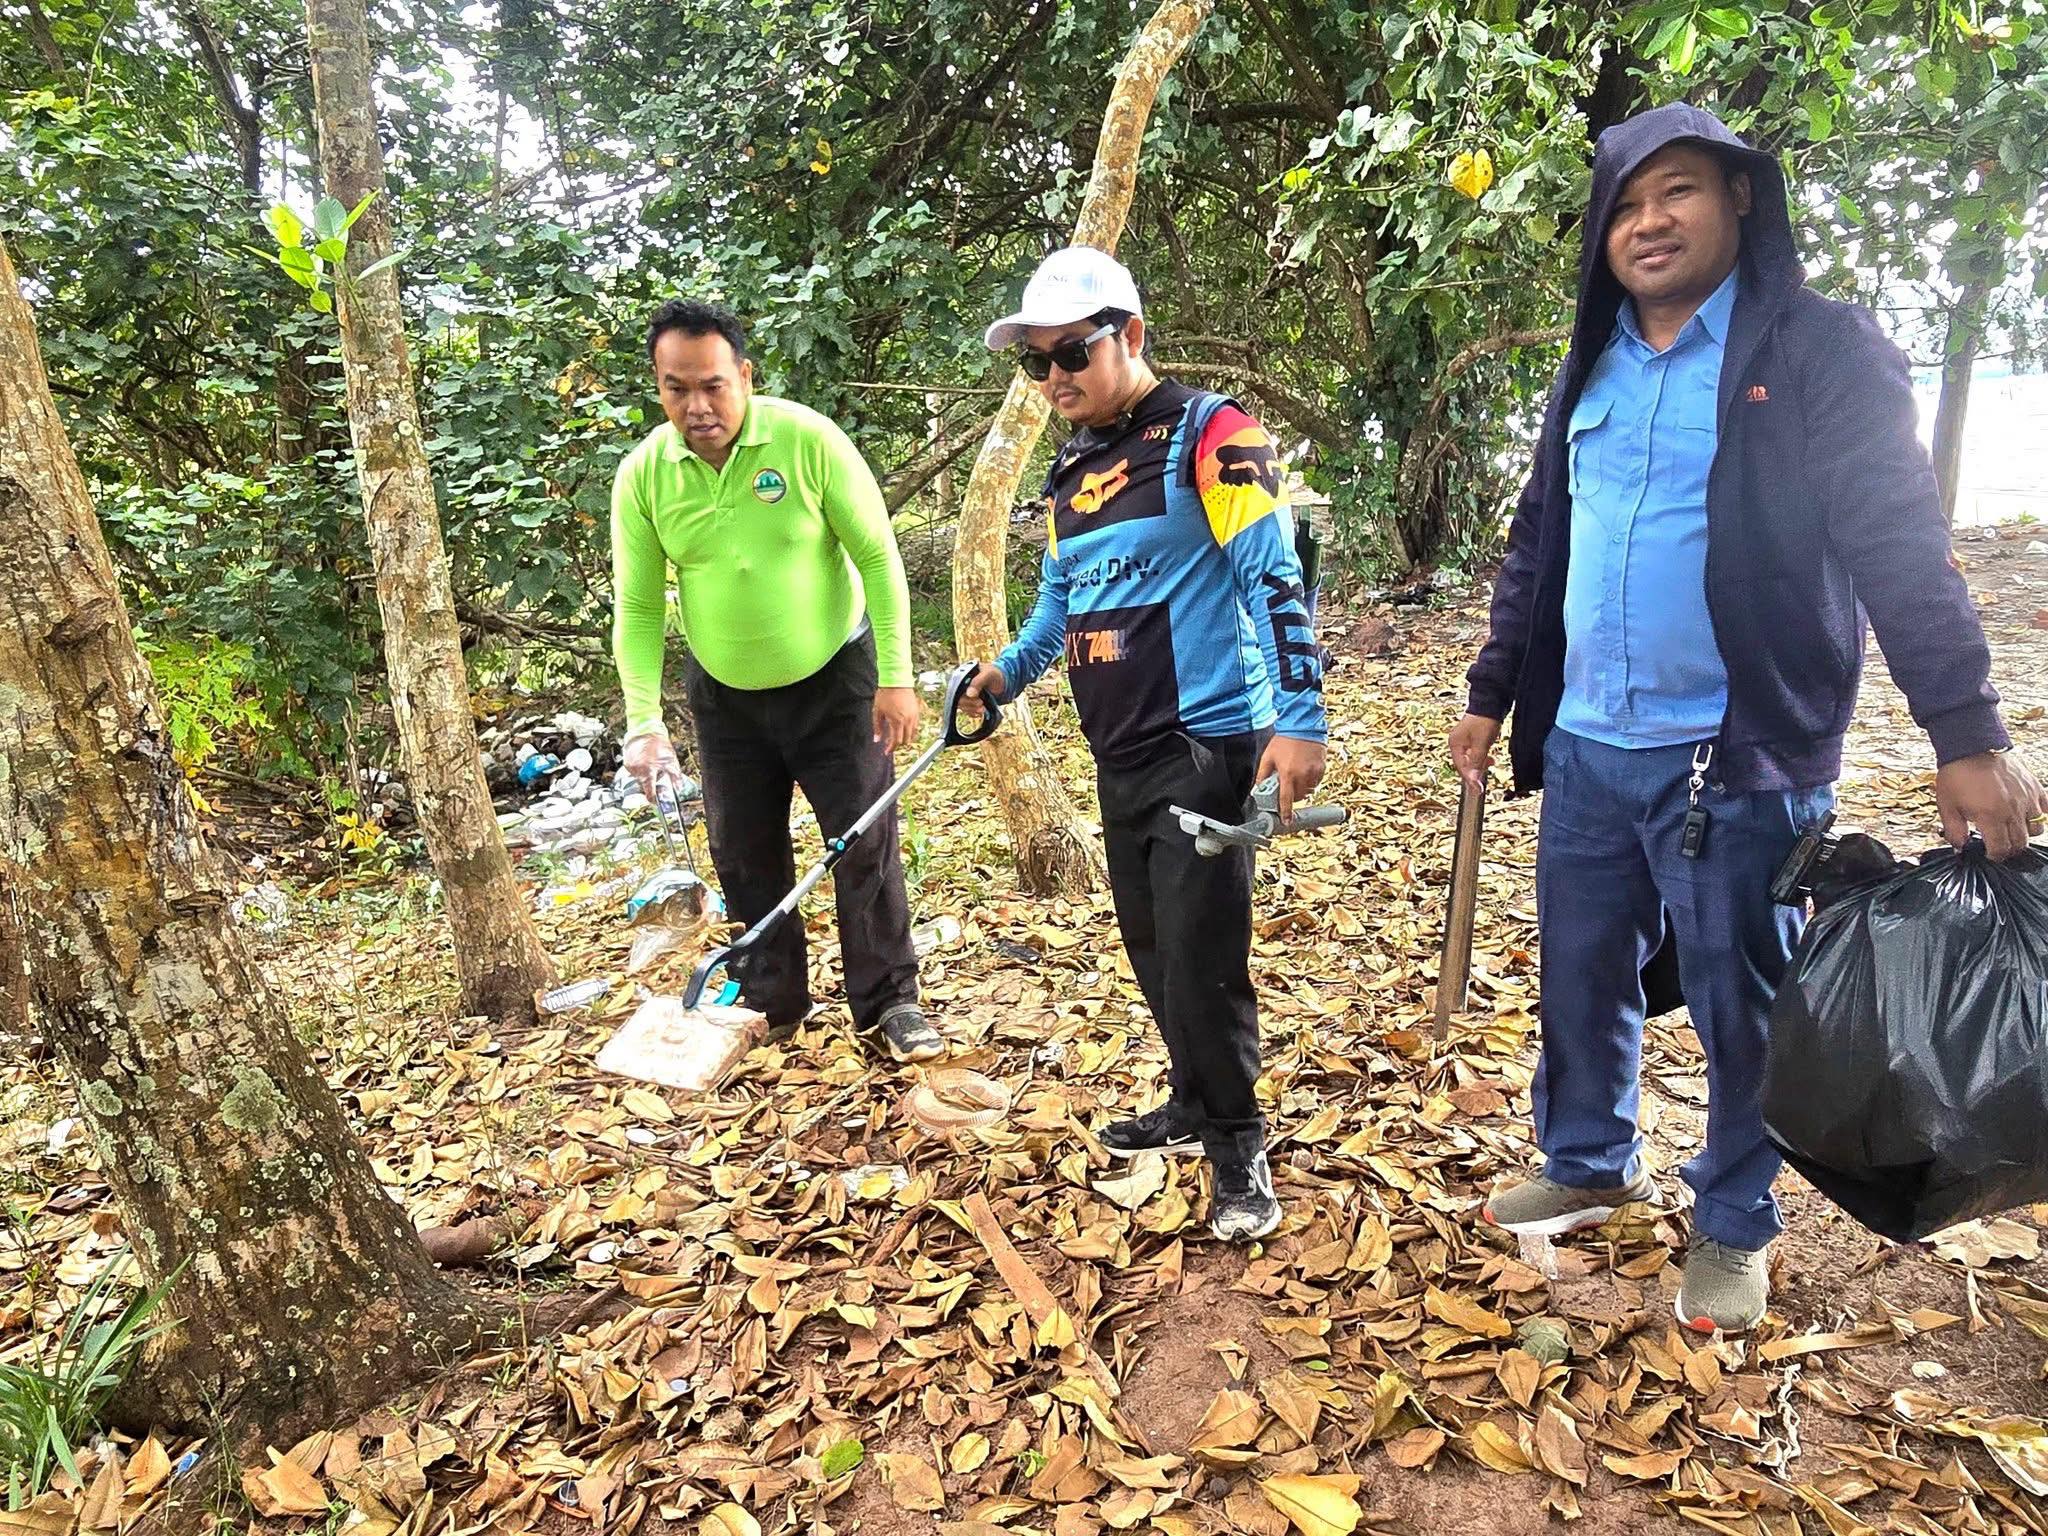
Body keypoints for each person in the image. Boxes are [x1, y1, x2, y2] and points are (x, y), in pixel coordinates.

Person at [1449, 103, 2047, 1331]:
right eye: (1623, 204)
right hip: (1586, 746)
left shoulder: (1818, 349)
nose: (1646, 222)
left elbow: (1896, 541)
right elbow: (1538, 543)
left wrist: (1964, 732)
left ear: (1735, 199)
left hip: (1737, 758)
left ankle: (1732, 1220)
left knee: (1743, 1004)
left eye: (1674, 191)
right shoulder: (1591, 362)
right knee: (1579, 976)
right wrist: (1490, 693)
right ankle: (1587, 1158)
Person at [961, 248, 1327, 1242]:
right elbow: (1059, 606)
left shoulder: (1212, 432)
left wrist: (1300, 716)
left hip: (1202, 739)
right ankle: (1192, 1099)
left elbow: (1271, 576)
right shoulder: (1070, 470)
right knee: (1153, 947)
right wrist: (1002, 676)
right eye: (1034, 362)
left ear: (1128, 334)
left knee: (1204, 957)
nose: (1052, 378)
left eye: (1070, 353)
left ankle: (1239, 1145)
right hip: (1116, 749)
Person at [611, 299, 941, 1063]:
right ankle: (772, 1000)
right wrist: (642, 722)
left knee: (862, 841)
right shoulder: (644, 476)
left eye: (714, 385)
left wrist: (896, 677)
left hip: (837, 681)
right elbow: (638, 606)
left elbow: (878, 555)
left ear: (745, 377)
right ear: (658, 386)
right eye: (676, 388)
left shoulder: (806, 439)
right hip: (725, 695)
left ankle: (889, 1003)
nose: (697, 406)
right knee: (743, 850)